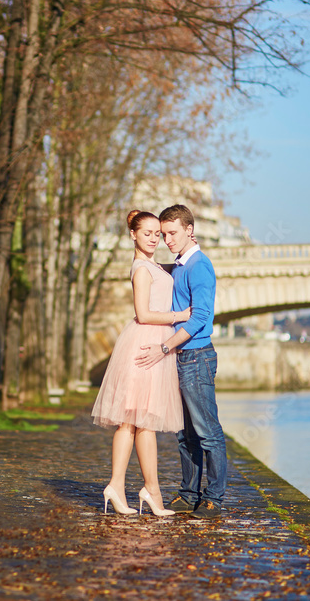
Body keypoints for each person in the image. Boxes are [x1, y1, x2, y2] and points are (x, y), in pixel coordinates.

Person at [91, 210, 191, 516]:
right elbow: (144, 313)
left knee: (140, 422)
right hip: (146, 344)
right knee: (133, 421)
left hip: (154, 345)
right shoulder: (141, 270)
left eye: (157, 233)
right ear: (133, 234)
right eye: (146, 232)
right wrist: (181, 316)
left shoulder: (153, 265)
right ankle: (130, 487)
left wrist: (187, 246)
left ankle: (141, 489)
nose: (153, 238)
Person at [135, 204, 227, 519]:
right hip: (182, 356)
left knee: (207, 430)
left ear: (190, 230)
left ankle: (214, 497)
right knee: (184, 432)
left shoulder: (199, 266)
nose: (167, 239)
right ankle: (189, 494)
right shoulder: (181, 264)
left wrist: (164, 347)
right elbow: (156, 269)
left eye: (172, 233)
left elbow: (200, 318)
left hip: (196, 356)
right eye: (163, 234)